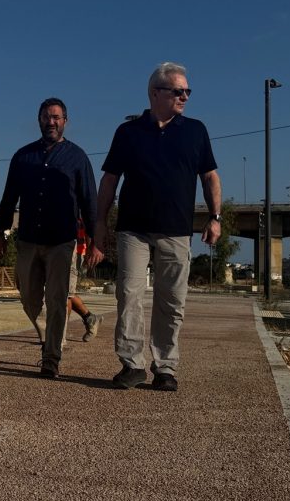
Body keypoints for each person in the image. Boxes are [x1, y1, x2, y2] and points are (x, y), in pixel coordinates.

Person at [92, 62, 221, 392]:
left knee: (171, 301)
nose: (184, 97)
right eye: (178, 91)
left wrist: (215, 217)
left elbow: (209, 176)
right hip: (133, 229)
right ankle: (132, 365)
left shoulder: (196, 131)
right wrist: (99, 224)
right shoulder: (129, 133)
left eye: (187, 91)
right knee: (129, 295)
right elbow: (109, 180)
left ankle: (165, 366)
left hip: (177, 230)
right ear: (155, 93)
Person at [0, 98, 102, 378]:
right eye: (46, 117)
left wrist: (95, 240)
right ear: (39, 120)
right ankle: (51, 334)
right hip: (28, 240)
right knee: (29, 298)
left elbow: (90, 200)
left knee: (58, 299)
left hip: (62, 242)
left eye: (56, 117)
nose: (51, 122)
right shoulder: (22, 157)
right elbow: (8, 199)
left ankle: (51, 357)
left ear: (65, 121)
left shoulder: (77, 157)